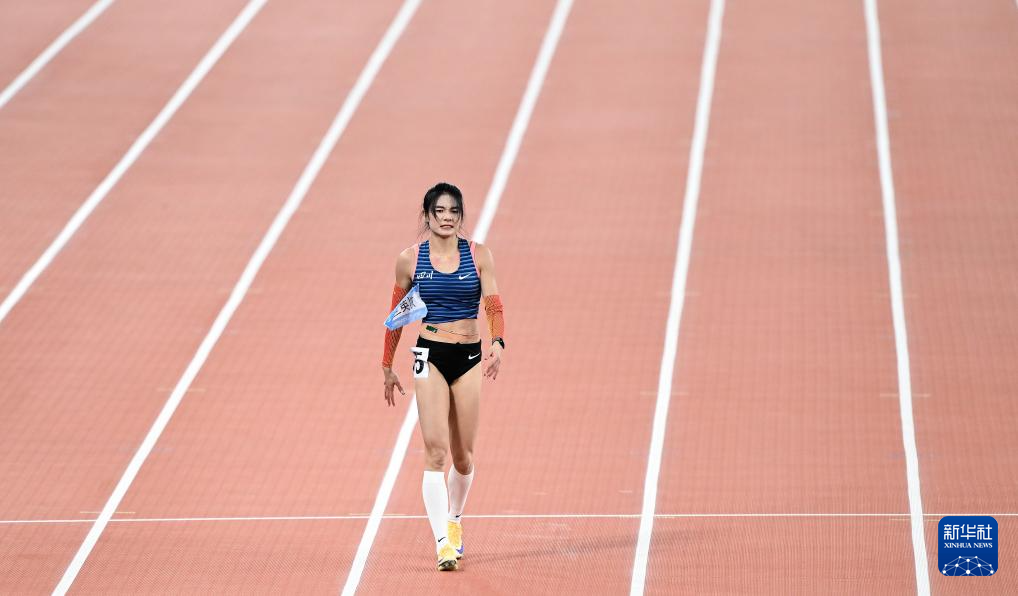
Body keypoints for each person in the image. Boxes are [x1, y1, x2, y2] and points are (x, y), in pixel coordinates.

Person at [381, 182, 505, 571]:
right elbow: (396, 316)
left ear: (461, 216)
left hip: (468, 357)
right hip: (428, 355)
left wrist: (498, 342)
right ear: (427, 215)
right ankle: (442, 544)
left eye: (454, 211)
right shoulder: (409, 260)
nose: (447, 217)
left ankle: (454, 519)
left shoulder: (479, 255)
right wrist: (387, 366)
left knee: (463, 457)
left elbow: (493, 304)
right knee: (435, 452)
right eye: (440, 211)